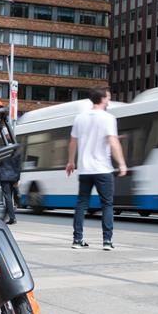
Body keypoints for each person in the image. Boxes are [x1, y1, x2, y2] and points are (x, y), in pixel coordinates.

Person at [66, 87, 128, 251]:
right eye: (108, 98)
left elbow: (73, 142)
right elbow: (113, 142)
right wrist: (121, 163)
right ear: (102, 99)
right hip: (103, 169)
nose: (109, 101)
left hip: (85, 169)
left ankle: (77, 240)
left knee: (81, 204)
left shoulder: (79, 118)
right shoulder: (108, 118)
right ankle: (107, 241)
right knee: (107, 204)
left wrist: (71, 162)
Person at [0, 145, 22, 225]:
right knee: (9, 198)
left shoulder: (3, 153)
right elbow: (19, 168)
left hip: (4, 177)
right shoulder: (17, 154)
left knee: (7, 197)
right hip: (13, 177)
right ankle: (5, 217)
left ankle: (12, 218)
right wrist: (17, 179)